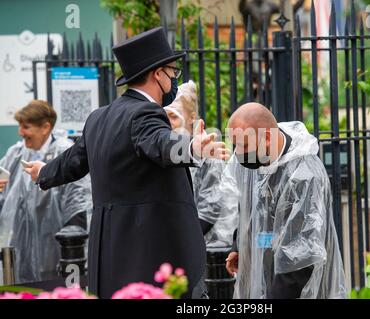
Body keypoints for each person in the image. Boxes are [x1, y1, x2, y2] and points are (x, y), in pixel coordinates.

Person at [23, 27, 229, 298]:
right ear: (158, 74)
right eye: (173, 72)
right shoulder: (145, 113)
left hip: (108, 253)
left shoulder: (98, 118)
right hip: (150, 253)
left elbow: (74, 160)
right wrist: (191, 148)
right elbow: (159, 143)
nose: (174, 80)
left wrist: (44, 172)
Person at [224, 102, 347, 299]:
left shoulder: (304, 176)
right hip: (266, 273)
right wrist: (240, 247)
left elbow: (300, 260)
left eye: (243, 145)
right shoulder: (250, 161)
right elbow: (248, 210)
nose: (238, 153)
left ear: (266, 138)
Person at [0, 100, 91, 284]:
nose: (20, 132)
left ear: (45, 127)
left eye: (26, 126)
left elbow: (78, 202)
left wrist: (71, 245)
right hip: (21, 249)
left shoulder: (63, 151)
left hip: (55, 248)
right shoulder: (16, 153)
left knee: (52, 289)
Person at [164, 80, 238, 245]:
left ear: (191, 117)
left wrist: (179, 241)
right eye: (163, 115)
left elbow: (209, 213)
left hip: (207, 248)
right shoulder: (163, 153)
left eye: (173, 116)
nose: (167, 122)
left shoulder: (209, 156)